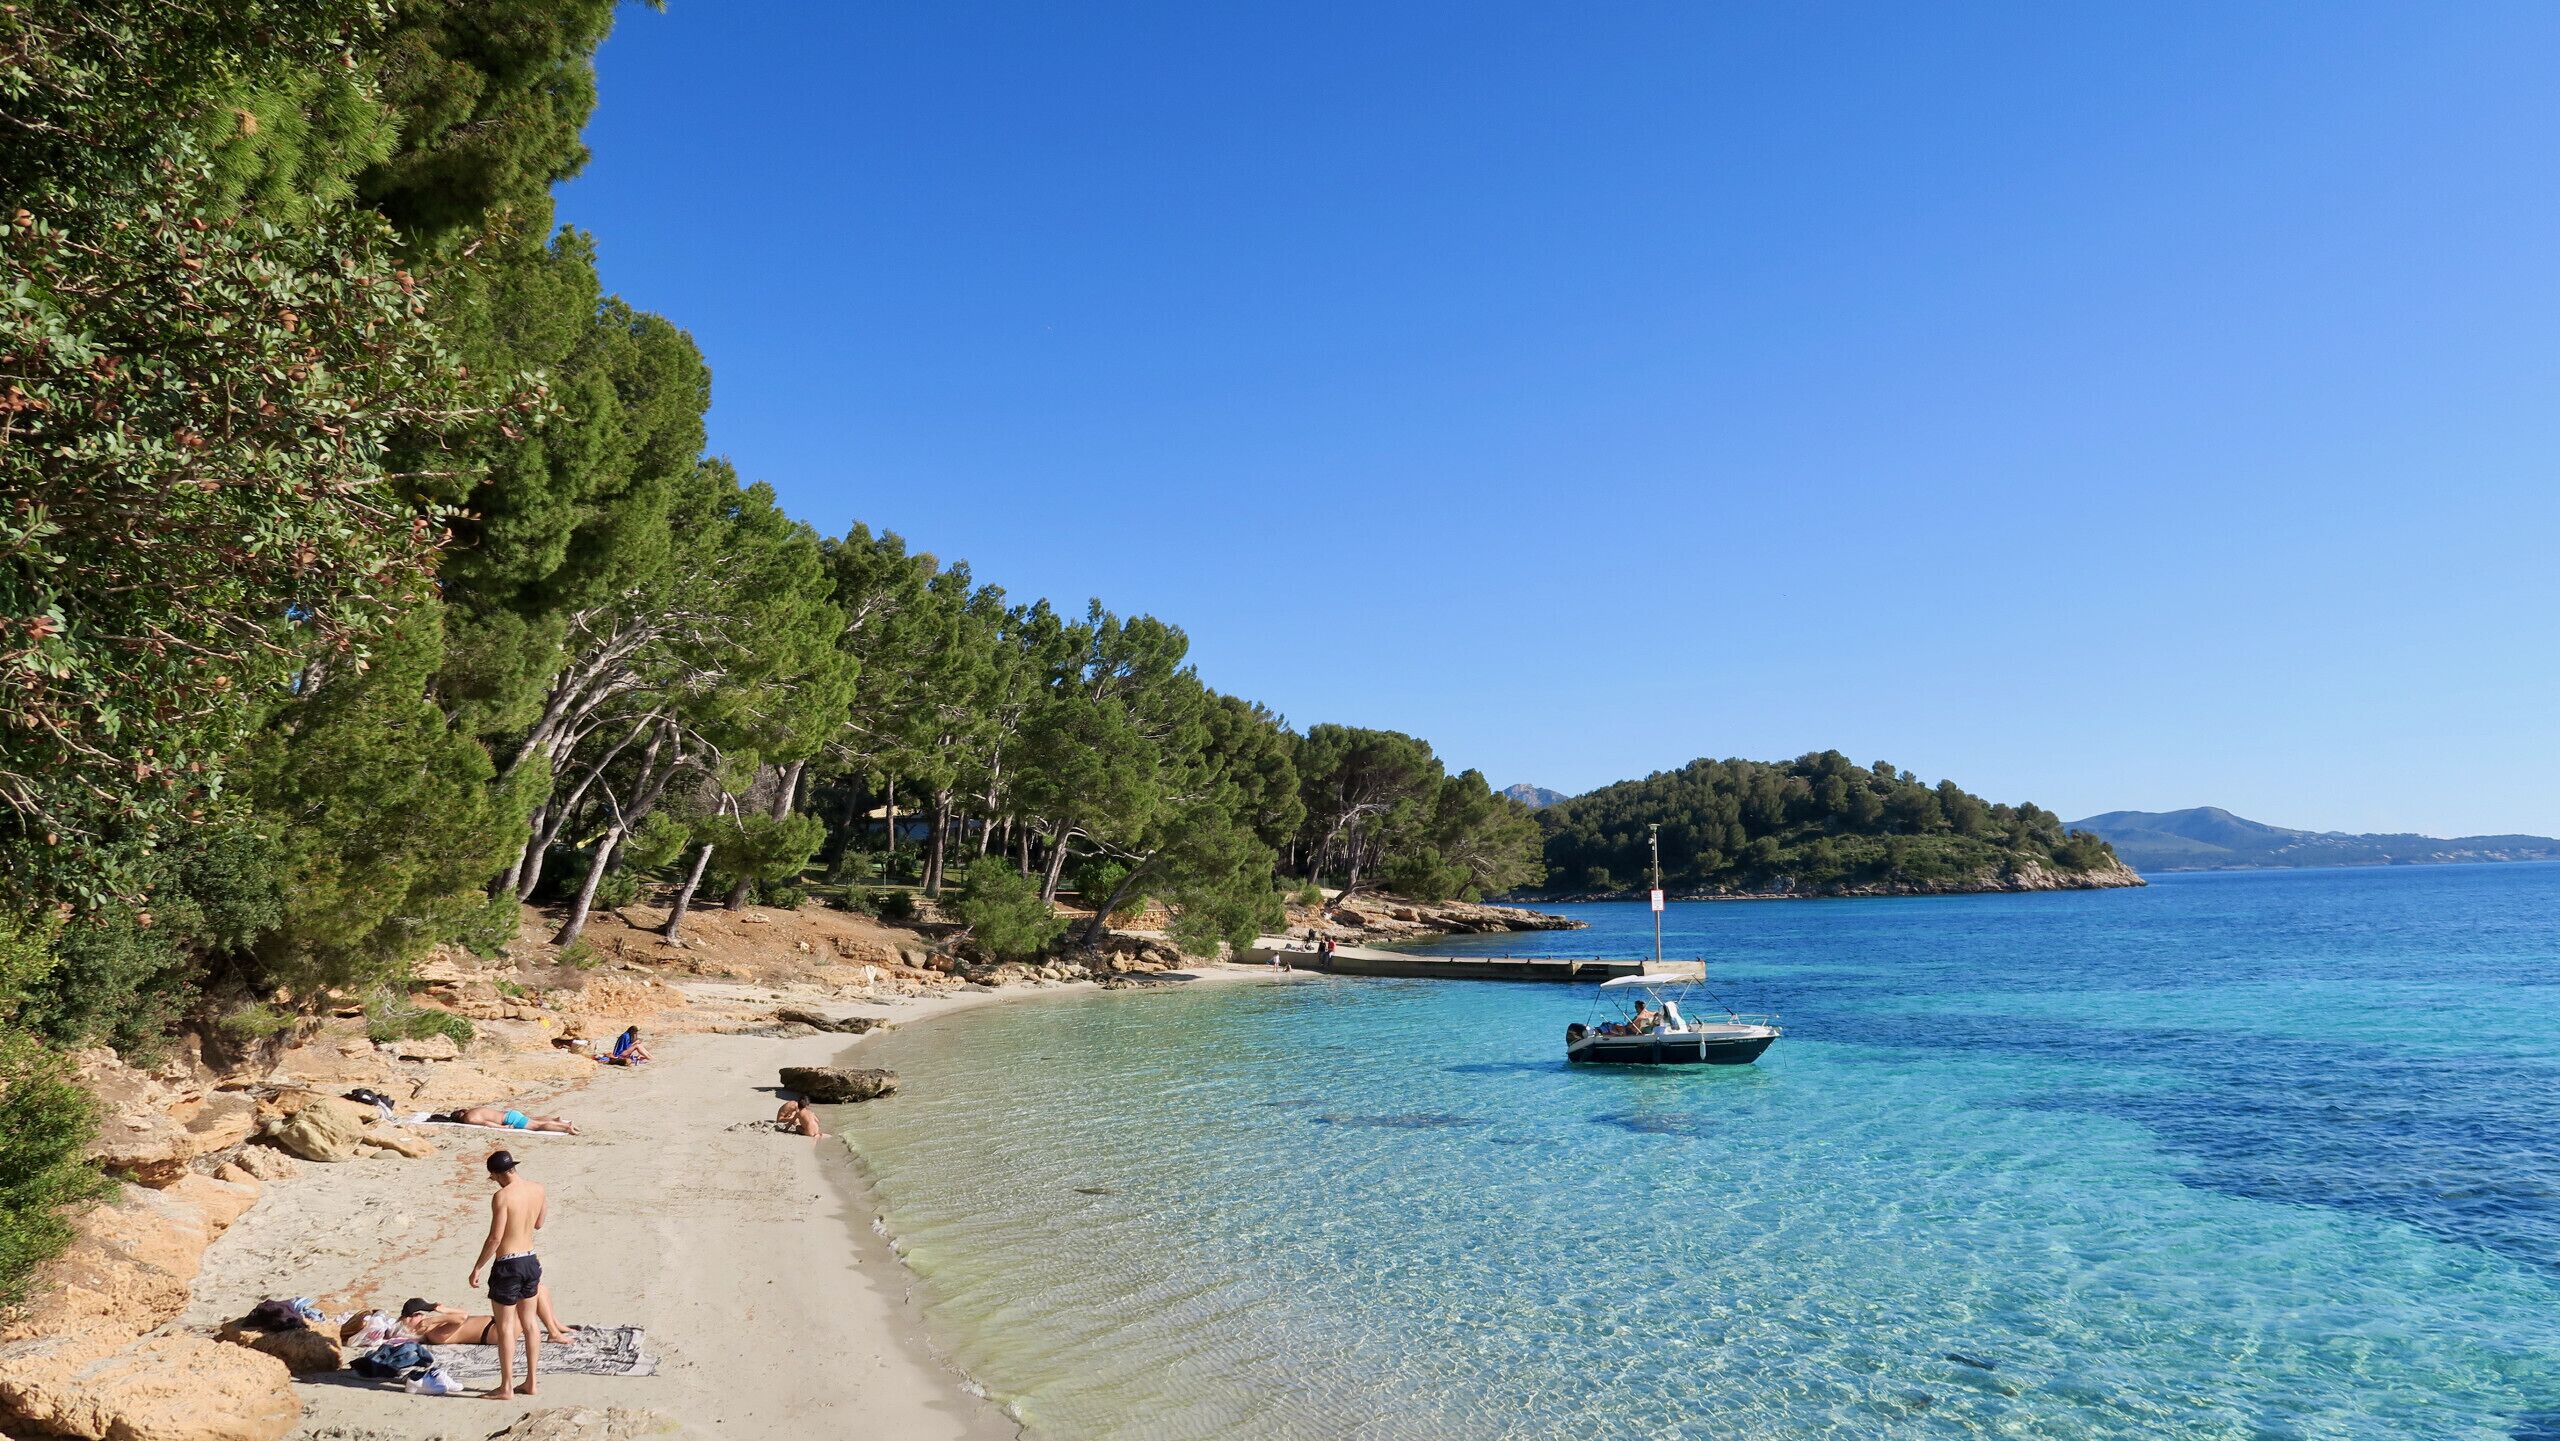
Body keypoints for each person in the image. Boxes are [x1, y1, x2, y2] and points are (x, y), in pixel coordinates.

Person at [467, 1150, 548, 1400]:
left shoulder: (501, 1197)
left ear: (497, 1175)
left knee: (505, 1327)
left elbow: (495, 1238)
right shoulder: (538, 1189)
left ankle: (506, 1387)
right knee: (531, 1324)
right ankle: (531, 1382)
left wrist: (478, 1266)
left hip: (508, 1264)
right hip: (530, 1260)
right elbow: (539, 1223)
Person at [400, 1290, 573, 1346]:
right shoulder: (435, 1334)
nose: (421, 1316)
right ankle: (553, 1332)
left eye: (422, 1313)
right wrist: (434, 1317)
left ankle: (555, 1326)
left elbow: (461, 1312)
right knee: (533, 1292)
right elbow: (462, 1317)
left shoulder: (435, 1326)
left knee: (539, 1288)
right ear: (408, 1324)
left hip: (497, 1324)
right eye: (415, 1316)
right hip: (498, 1332)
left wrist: (437, 1309)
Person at [439, 1105, 578, 1135]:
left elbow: (487, 1123)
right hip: (509, 1113)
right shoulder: (472, 1110)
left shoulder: (470, 1118)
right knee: (534, 1120)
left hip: (508, 1119)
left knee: (536, 1127)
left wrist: (504, 1128)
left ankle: (566, 1128)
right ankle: (557, 1120)